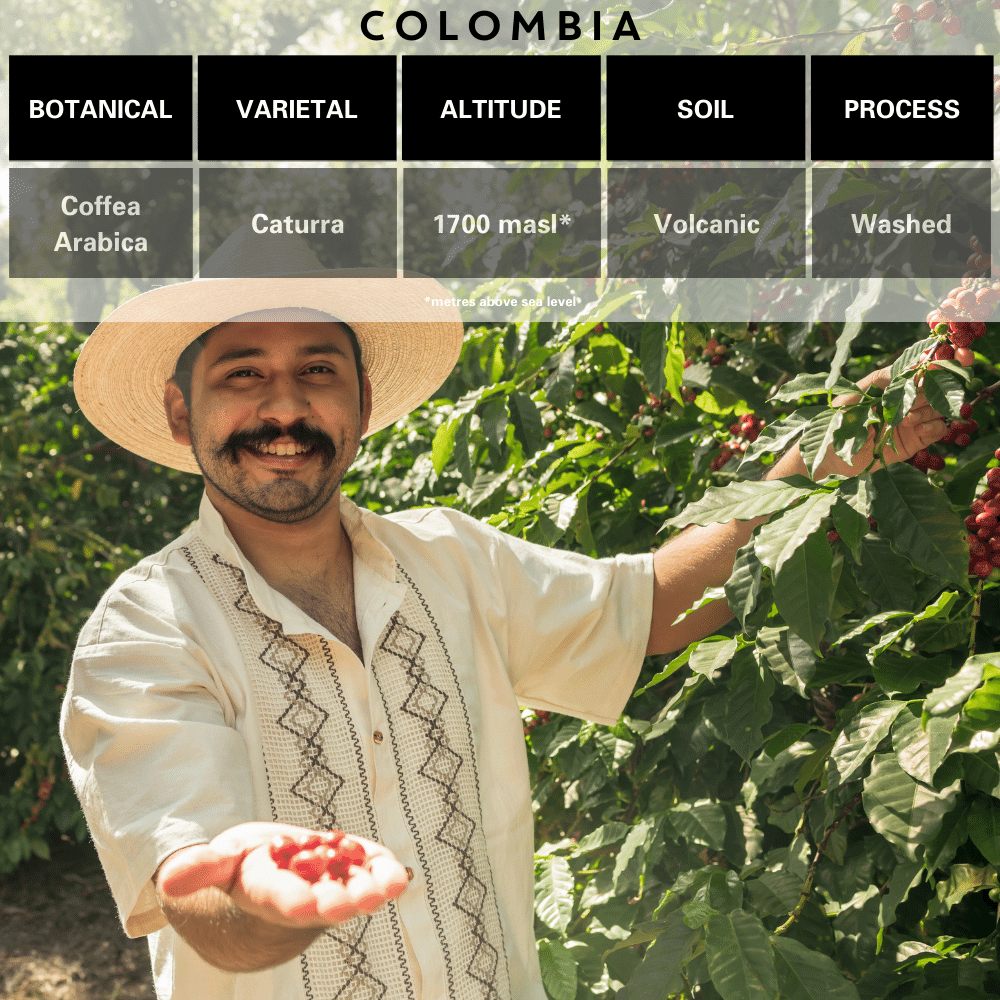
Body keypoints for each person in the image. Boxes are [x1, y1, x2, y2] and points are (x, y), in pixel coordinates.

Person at [61, 233, 949, 1000]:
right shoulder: (146, 633)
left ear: (362, 402)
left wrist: (826, 459)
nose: (286, 408)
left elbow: (651, 607)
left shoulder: (454, 563)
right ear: (183, 411)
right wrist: (259, 889)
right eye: (242, 374)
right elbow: (195, 892)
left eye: (317, 371)